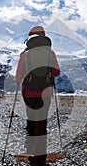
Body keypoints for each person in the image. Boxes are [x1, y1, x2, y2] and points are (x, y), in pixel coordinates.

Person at [15, 26, 60, 166]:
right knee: (41, 123)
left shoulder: (25, 54)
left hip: (28, 93)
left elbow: (18, 77)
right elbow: (57, 72)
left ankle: (29, 150)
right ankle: (40, 158)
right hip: (45, 94)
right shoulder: (50, 53)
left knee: (31, 120)